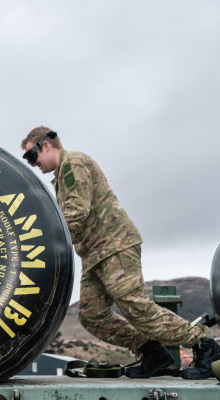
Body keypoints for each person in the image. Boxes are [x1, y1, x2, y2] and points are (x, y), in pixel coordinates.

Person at [20, 126, 220, 379]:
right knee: (92, 316)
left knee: (135, 306)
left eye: (31, 156)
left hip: (114, 244)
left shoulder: (74, 163)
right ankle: (152, 352)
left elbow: (75, 214)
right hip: (95, 254)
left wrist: (40, 246)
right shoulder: (62, 174)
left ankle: (204, 346)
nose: (32, 164)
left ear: (46, 146)